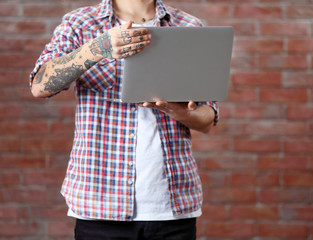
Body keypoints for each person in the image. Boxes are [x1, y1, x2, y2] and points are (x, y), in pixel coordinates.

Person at [29, 0, 219, 239]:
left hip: (173, 209)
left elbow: (207, 119)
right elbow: (40, 85)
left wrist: (174, 108)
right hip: (99, 206)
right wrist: (99, 47)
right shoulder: (80, 23)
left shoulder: (190, 27)